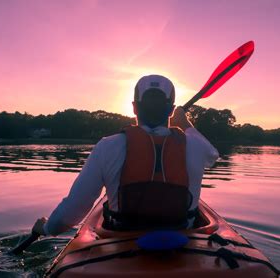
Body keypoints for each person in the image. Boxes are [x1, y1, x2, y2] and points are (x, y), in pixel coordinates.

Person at [32, 74, 219, 235]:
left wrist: (47, 228)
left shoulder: (107, 146)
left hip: (122, 238)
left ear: (134, 107)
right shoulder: (196, 147)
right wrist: (185, 123)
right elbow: (212, 155)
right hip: (183, 239)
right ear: (171, 110)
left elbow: (73, 210)